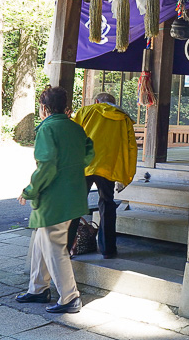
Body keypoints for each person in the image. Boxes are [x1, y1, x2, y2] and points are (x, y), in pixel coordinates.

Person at [16, 86, 93, 314]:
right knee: (43, 240)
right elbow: (89, 154)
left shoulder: (47, 129)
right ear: (65, 106)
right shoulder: (76, 128)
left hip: (54, 198)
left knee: (54, 246)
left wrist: (29, 190)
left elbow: (46, 165)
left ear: (44, 108)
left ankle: (70, 297)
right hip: (73, 194)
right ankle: (38, 288)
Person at [67, 92, 137, 259]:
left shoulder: (85, 112)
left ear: (97, 101)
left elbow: (71, 136)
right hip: (108, 168)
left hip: (83, 166)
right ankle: (108, 250)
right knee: (107, 204)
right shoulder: (123, 118)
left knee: (75, 205)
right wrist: (126, 174)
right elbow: (131, 148)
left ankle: (66, 247)